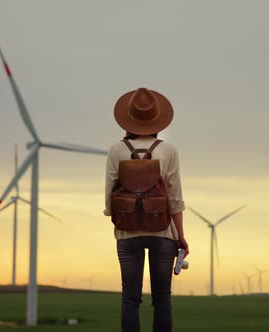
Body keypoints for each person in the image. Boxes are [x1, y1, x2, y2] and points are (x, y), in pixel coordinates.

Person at [105, 87, 189, 332]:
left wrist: (127, 216)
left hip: (126, 233)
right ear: (157, 121)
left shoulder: (116, 150)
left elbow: (109, 200)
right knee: (162, 299)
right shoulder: (168, 150)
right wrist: (180, 236)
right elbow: (175, 199)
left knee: (130, 298)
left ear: (128, 119)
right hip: (163, 232)